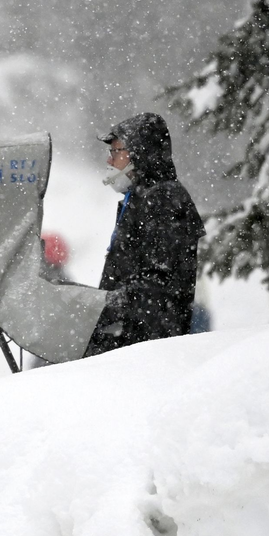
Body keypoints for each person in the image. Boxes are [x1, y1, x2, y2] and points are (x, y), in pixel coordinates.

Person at [85, 113, 205, 356]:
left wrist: (109, 306)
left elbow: (158, 282)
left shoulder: (163, 199)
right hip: (128, 343)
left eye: (117, 151)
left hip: (149, 351)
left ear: (140, 153)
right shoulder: (138, 198)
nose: (110, 159)